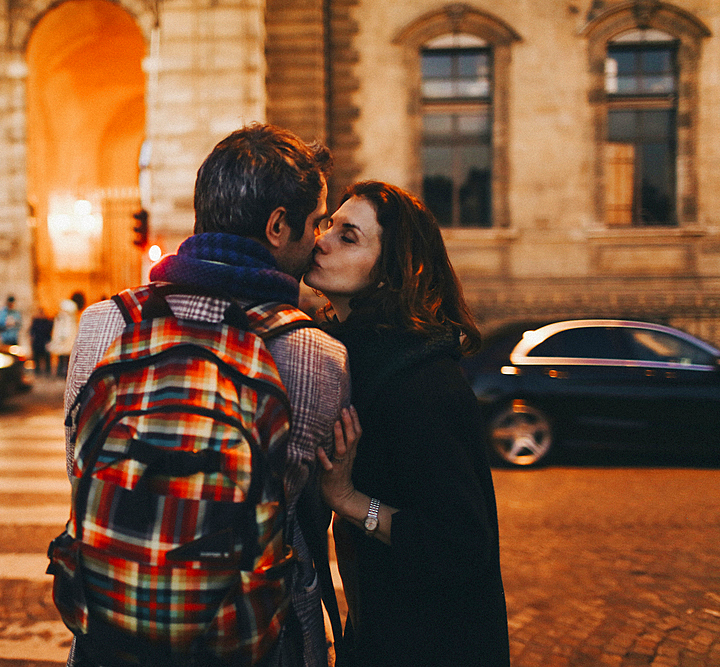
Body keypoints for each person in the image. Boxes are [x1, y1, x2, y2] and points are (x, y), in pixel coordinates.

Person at [63, 123, 351, 667]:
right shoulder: (314, 351)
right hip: (250, 635)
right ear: (277, 226)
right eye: (316, 223)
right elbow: (295, 508)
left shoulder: (104, 324)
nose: (319, 238)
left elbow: (81, 468)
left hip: (112, 626)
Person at [305, 182, 510, 666]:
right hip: (383, 630)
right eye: (328, 223)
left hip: (436, 642)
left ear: (390, 273)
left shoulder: (421, 382)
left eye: (348, 236)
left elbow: (460, 542)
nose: (323, 239)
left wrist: (348, 500)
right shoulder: (361, 357)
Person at [50, 291, 85, 377]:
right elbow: (67, 325)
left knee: (62, 357)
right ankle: (63, 372)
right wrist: (65, 335)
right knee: (66, 358)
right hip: (67, 337)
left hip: (62, 337)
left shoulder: (64, 311)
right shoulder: (69, 312)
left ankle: (60, 372)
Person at [29, 306, 55, 375]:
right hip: (38, 342)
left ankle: (47, 371)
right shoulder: (36, 321)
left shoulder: (46, 322)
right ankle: (38, 371)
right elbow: (32, 331)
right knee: (37, 358)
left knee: (46, 358)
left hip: (44, 342)